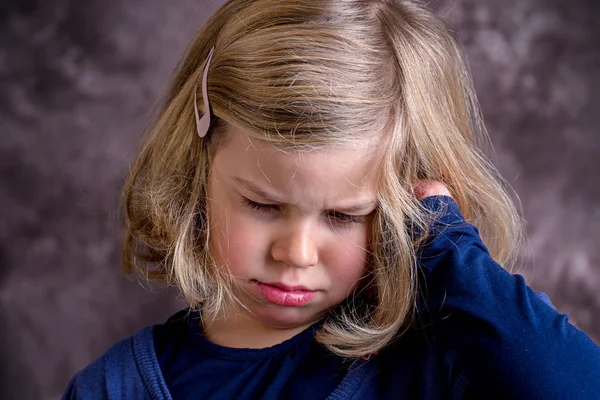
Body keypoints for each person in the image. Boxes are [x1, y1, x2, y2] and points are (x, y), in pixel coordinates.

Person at [62, 0, 600, 398]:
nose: (296, 253)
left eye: (344, 215)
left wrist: (446, 245)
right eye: (263, 205)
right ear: (196, 170)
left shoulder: (443, 360)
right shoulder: (114, 387)